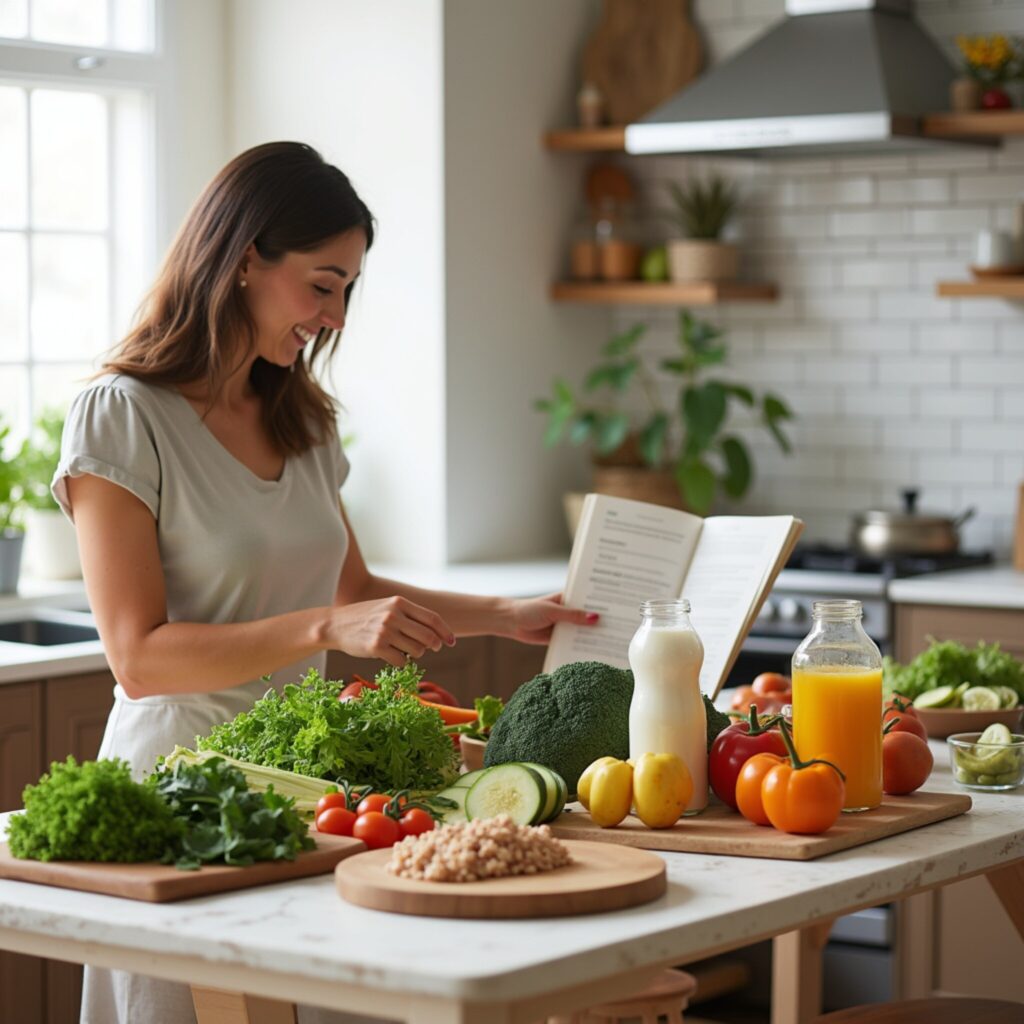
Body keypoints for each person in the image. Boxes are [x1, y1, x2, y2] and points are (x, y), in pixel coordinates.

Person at [53, 141, 597, 1024]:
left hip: (305, 794)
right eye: (322, 283)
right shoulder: (123, 415)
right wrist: (319, 632)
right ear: (242, 260)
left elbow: (352, 591)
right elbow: (139, 659)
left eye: (348, 290)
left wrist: (506, 615)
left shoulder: (301, 419)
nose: (335, 315)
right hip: (179, 797)